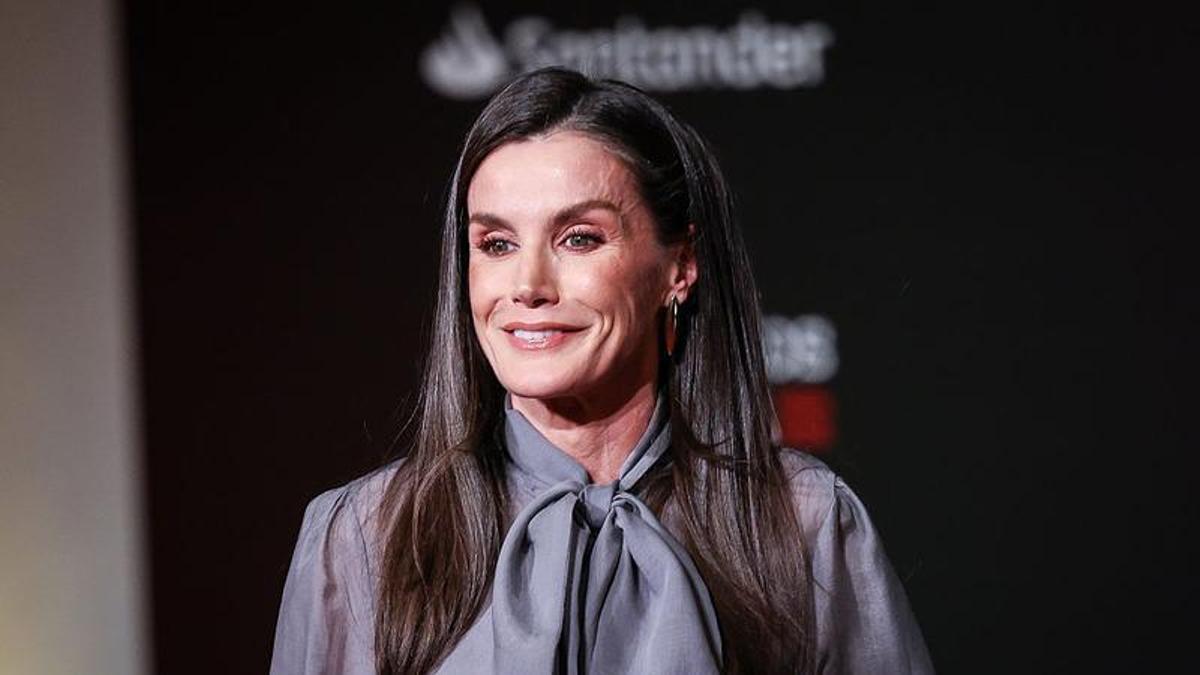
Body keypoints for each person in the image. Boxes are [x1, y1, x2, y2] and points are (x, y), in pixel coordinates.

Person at [269, 66, 933, 674]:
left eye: (579, 238)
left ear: (680, 266)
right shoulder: (364, 537)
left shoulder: (802, 522)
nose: (527, 285)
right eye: (496, 244)